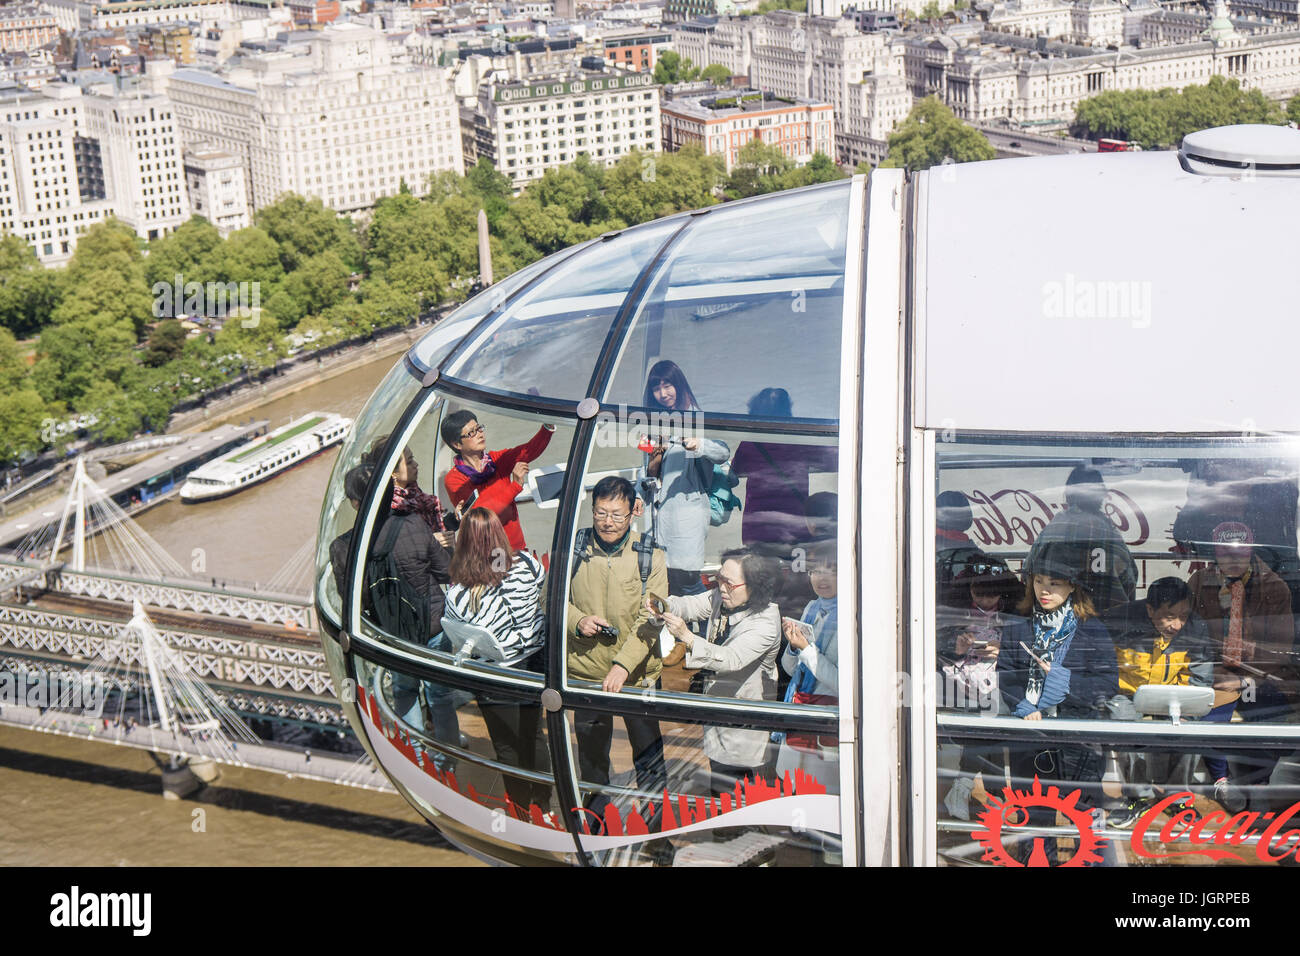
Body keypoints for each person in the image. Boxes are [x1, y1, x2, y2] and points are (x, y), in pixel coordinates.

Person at [997, 541, 1118, 863]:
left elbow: (1107, 685)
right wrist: (1025, 707)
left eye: (1054, 583)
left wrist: (1063, 681)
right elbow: (1006, 677)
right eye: (1039, 581)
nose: (1044, 590)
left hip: (1079, 740)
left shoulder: (1092, 630)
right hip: (1030, 742)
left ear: (1072, 587)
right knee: (1034, 823)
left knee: (1088, 824)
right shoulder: (1017, 626)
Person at [567, 476, 669, 822]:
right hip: (586, 672)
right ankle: (596, 825)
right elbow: (549, 598)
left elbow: (652, 618)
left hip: (636, 678)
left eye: (617, 514)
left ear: (633, 512)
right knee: (592, 760)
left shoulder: (650, 557)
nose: (608, 522)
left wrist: (623, 666)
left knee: (649, 756)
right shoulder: (574, 547)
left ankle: (657, 826)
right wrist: (577, 620)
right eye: (600, 513)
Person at [444, 507, 551, 817]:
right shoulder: (528, 565)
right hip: (533, 665)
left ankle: (519, 810)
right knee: (534, 735)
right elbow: (539, 597)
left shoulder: (460, 594)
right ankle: (543, 805)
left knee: (507, 746)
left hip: (495, 675)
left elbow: (458, 636)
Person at [1187, 521, 1296, 812]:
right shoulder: (1199, 582)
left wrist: (1246, 678)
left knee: (1267, 719)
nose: (1233, 561)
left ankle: (1256, 785)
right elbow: (1189, 635)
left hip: (1259, 676)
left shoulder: (1274, 587)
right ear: (1216, 555)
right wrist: (1210, 670)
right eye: (1226, 555)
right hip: (1214, 672)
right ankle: (1222, 783)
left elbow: (1281, 651)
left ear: (1251, 552)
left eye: (1240, 554)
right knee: (1207, 720)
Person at [659, 548, 782, 796]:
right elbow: (692, 604)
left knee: (739, 782)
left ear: (755, 586)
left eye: (729, 583)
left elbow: (731, 659)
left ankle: (739, 829)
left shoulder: (766, 623)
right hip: (719, 707)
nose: (721, 587)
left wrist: (687, 636)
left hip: (745, 714)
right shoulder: (723, 597)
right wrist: (664, 605)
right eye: (719, 579)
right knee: (722, 773)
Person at [1102, 576, 1214, 828]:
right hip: (1126, 694)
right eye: (1169, 616)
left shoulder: (1196, 628)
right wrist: (1105, 697)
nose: (1177, 624)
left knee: (1190, 729)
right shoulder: (1120, 621)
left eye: (1183, 615)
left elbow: (1200, 677)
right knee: (1125, 726)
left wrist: (1189, 710)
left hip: (1173, 695)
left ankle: (1178, 798)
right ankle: (1137, 798)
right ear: (1150, 609)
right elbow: (1100, 665)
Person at [938, 555, 1020, 819]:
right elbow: (936, 644)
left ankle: (963, 788)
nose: (985, 601)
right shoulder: (955, 610)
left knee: (986, 734)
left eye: (991, 596)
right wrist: (957, 645)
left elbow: (1024, 649)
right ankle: (995, 797)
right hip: (962, 684)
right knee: (987, 734)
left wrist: (1003, 652)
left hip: (997, 683)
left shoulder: (1013, 613)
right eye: (979, 594)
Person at [641, 360, 729, 598]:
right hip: (657, 521)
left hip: (686, 517)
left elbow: (723, 452)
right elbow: (648, 476)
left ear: (678, 384)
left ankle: (702, 627)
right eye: (656, 388)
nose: (663, 394)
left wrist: (697, 444)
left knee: (688, 582)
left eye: (667, 385)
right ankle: (677, 632)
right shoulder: (654, 423)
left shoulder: (696, 417)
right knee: (662, 585)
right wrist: (654, 459)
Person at [731, 388, 838, 550]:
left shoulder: (750, 443)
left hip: (757, 528)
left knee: (759, 573)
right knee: (794, 573)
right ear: (787, 411)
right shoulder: (799, 440)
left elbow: (735, 473)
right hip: (796, 527)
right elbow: (832, 461)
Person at [773, 540, 840, 795]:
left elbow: (843, 683)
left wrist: (806, 650)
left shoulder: (853, 613)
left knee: (821, 795)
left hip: (827, 719)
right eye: (816, 570)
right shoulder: (813, 607)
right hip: (800, 708)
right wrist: (793, 646)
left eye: (831, 570)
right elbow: (790, 670)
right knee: (794, 788)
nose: (822, 578)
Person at [1023, 465, 1136, 612]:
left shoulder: (1057, 525)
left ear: (1069, 492)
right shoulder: (1107, 530)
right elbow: (1129, 578)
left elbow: (1029, 571)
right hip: (1107, 615)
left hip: (1060, 617)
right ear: (1100, 494)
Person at [441, 410, 555, 552]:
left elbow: (527, 451)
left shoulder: (496, 460)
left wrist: (547, 427)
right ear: (457, 444)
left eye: (479, 428)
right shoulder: (455, 479)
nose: (480, 434)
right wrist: (515, 485)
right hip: (486, 554)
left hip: (517, 548)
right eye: (471, 433)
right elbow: (483, 512)